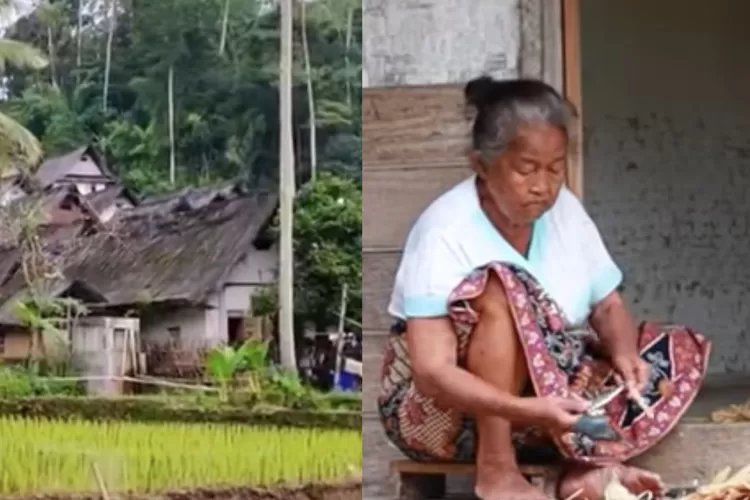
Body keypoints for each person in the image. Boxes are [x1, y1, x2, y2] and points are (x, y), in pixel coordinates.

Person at [377, 76, 711, 500]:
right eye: (526, 169)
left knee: (668, 351)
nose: (543, 185)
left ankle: (584, 471)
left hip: (548, 405)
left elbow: (607, 305)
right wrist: (524, 408)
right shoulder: (444, 230)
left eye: (555, 169)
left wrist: (626, 354)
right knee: (502, 287)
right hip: (445, 416)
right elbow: (432, 371)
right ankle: (496, 471)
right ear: (481, 165)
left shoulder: (564, 210)